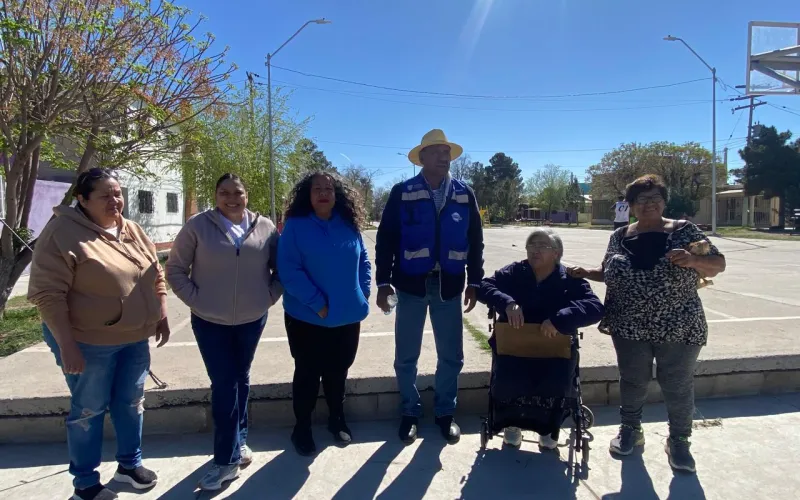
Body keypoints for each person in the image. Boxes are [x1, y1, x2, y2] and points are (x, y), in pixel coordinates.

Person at [568, 174, 726, 473]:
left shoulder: (685, 231)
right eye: (641, 200)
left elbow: (718, 264)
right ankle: (630, 430)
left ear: (664, 202)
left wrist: (693, 260)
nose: (649, 204)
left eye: (655, 199)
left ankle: (679, 441)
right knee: (632, 380)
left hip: (678, 324)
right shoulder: (619, 236)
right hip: (628, 324)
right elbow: (608, 271)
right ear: (630, 205)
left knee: (677, 384)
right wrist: (586, 272)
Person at [28, 168, 169, 500]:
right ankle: (85, 483)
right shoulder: (62, 233)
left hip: (134, 338)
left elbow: (156, 272)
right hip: (87, 342)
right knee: (88, 411)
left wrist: (161, 314)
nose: (114, 201)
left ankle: (129, 467)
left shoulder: (131, 228)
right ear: (82, 199)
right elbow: (48, 295)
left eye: (117, 193)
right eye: (105, 195)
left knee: (131, 403)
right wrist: (67, 346)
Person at [166, 173, 282, 491]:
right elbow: (175, 269)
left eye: (237, 192)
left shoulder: (264, 227)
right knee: (225, 385)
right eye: (224, 193)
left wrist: (268, 297)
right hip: (209, 321)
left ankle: (239, 442)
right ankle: (226, 461)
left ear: (247, 195)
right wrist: (197, 300)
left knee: (240, 378)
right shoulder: (197, 226)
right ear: (216, 195)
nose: (232, 198)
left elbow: (280, 269)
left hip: (252, 319)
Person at [376, 129, 484, 445]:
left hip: (449, 285)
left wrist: (475, 281)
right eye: (436, 151)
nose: (443, 157)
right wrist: (383, 282)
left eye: (446, 152)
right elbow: (386, 239)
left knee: (451, 355)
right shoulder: (402, 192)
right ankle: (410, 412)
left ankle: (445, 413)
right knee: (406, 355)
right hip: (410, 285)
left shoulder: (465, 193)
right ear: (421, 158)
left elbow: (475, 240)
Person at [478, 228, 604, 450]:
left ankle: (549, 429)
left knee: (555, 381)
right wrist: (507, 303)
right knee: (508, 378)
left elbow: (595, 307)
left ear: (556, 253)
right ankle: (511, 424)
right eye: (531, 245)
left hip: (553, 350)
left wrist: (559, 319)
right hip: (515, 347)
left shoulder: (569, 279)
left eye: (542, 246)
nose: (535, 250)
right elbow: (485, 286)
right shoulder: (515, 272)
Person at [278, 172, 371, 456]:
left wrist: (363, 291)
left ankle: (336, 419)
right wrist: (317, 303)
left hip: (346, 316)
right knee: (307, 373)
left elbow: (364, 261)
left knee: (338, 370)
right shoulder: (295, 226)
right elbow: (289, 270)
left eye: (328, 189)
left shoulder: (348, 224)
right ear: (307, 194)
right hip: (307, 317)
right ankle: (302, 428)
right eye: (317, 188)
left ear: (337, 194)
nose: (323, 193)